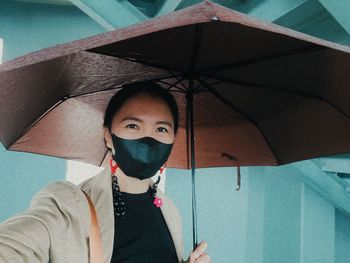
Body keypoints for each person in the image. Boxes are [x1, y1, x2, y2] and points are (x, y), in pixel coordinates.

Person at [0, 81, 211, 263]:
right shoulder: (70, 205)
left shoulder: (170, 210)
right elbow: (14, 246)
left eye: (161, 129)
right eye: (132, 126)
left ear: (173, 139)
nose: (148, 138)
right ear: (109, 136)